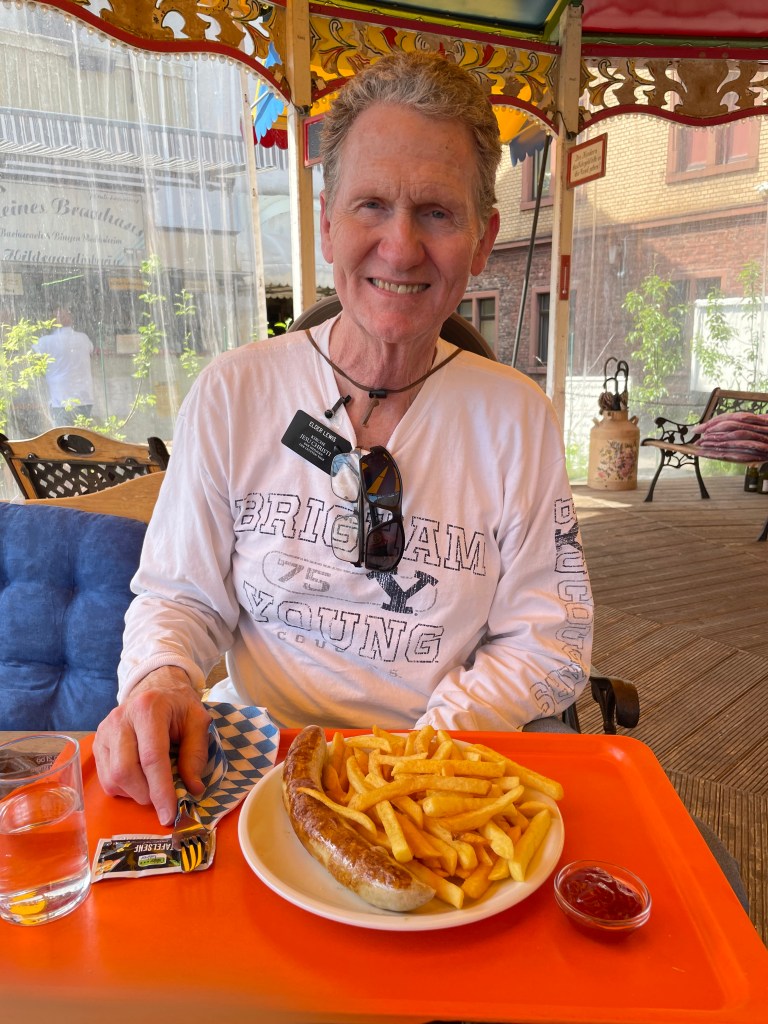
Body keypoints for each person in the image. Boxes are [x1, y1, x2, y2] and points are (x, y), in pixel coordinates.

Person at [93, 51, 590, 825]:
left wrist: (416, 762)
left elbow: (548, 637)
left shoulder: (516, 417)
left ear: (482, 239)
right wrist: (162, 676)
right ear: (327, 223)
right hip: (255, 762)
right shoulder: (234, 392)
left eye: (437, 212)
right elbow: (179, 594)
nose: (401, 246)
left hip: (434, 776)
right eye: (371, 205)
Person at [36, 306, 95, 425]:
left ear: (52, 321)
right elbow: (91, 352)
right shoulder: (83, 338)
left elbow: (29, 358)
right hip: (84, 397)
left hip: (60, 399)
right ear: (71, 319)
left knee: (62, 435)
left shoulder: (45, 342)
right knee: (82, 434)